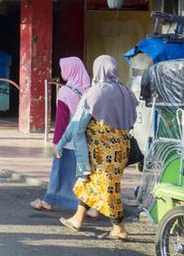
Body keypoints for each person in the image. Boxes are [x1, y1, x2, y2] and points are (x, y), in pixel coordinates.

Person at [58, 55, 138, 241]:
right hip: (121, 149)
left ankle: (119, 228)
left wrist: (63, 142)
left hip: (101, 152)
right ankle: (77, 219)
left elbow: (79, 124)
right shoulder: (126, 92)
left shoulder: (96, 92)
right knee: (92, 183)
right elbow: (133, 119)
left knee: (108, 188)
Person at [31, 57, 91, 213]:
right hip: (86, 141)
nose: (62, 72)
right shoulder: (89, 90)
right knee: (83, 176)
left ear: (71, 71)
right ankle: (89, 208)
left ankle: (49, 201)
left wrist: (57, 142)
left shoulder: (65, 91)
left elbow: (61, 120)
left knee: (59, 172)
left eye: (64, 69)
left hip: (69, 141)